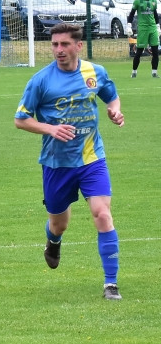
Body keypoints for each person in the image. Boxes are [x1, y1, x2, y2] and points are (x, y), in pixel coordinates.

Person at [14, 23, 124, 300]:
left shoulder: (94, 72)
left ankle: (111, 284)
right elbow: (21, 120)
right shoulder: (40, 81)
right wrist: (51, 128)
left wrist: (115, 112)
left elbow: (111, 98)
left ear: (78, 46)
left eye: (64, 44)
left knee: (102, 214)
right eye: (54, 45)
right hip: (56, 163)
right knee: (59, 223)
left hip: (91, 158)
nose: (58, 50)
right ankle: (53, 242)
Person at [127, 0, 160, 78]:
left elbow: (155, 14)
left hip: (153, 28)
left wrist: (158, 26)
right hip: (143, 29)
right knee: (139, 51)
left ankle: (154, 72)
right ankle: (134, 72)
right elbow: (132, 13)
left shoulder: (154, 1)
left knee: (155, 51)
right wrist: (129, 25)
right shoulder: (138, 1)